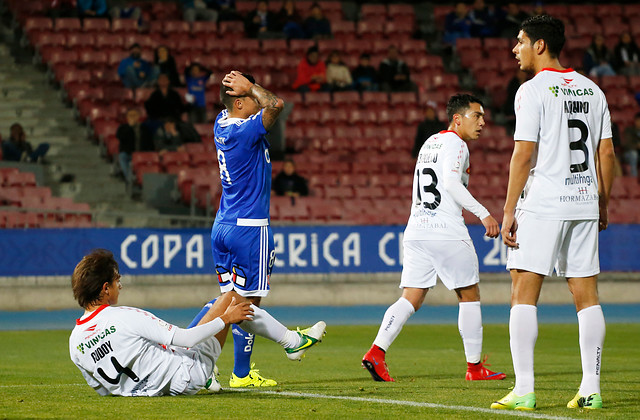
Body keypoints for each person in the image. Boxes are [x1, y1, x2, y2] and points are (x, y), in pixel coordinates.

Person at [491, 15, 616, 411]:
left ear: (540, 45)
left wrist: (509, 211)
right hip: (583, 201)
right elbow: (607, 153)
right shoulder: (594, 91)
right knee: (586, 295)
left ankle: (525, 389)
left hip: (544, 203)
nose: (515, 49)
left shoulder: (532, 90)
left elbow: (523, 154)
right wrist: (602, 201)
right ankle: (591, 388)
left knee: (522, 290)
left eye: (520, 41)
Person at [362, 94, 505, 383]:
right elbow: (451, 183)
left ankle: (377, 352)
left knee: (411, 298)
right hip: (445, 230)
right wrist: (484, 213)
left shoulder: (430, 142)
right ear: (457, 119)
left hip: (417, 229)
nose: (482, 122)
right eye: (476, 116)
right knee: (469, 295)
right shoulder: (457, 144)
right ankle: (475, 368)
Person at [201, 70, 326, 387]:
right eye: (249, 99)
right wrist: (253, 88)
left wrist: (243, 90)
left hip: (224, 223)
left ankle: (207, 365)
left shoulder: (221, 122)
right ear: (240, 101)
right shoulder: (245, 132)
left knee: (228, 301)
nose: (256, 103)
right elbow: (276, 104)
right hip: (249, 227)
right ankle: (289, 342)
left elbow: (259, 106)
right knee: (244, 304)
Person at [69, 249, 253, 396]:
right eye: (117, 281)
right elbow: (187, 339)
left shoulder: (74, 342)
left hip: (143, 391)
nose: (120, 286)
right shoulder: (125, 316)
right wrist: (226, 319)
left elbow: (102, 390)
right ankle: (283, 340)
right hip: (188, 375)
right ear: (106, 288)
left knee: (210, 308)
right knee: (229, 298)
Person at [116, 108, 154, 184]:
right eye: (130, 115)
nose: (132, 117)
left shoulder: (144, 128)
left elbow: (149, 141)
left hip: (141, 154)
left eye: (134, 115)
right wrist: (130, 127)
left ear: (138, 117)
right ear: (127, 117)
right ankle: (130, 180)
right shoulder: (123, 127)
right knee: (122, 157)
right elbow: (120, 137)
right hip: (128, 153)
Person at [623, 112, 640, 177]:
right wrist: (637, 146)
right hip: (628, 153)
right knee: (633, 154)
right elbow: (627, 144)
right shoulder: (629, 130)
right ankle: (634, 178)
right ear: (636, 121)